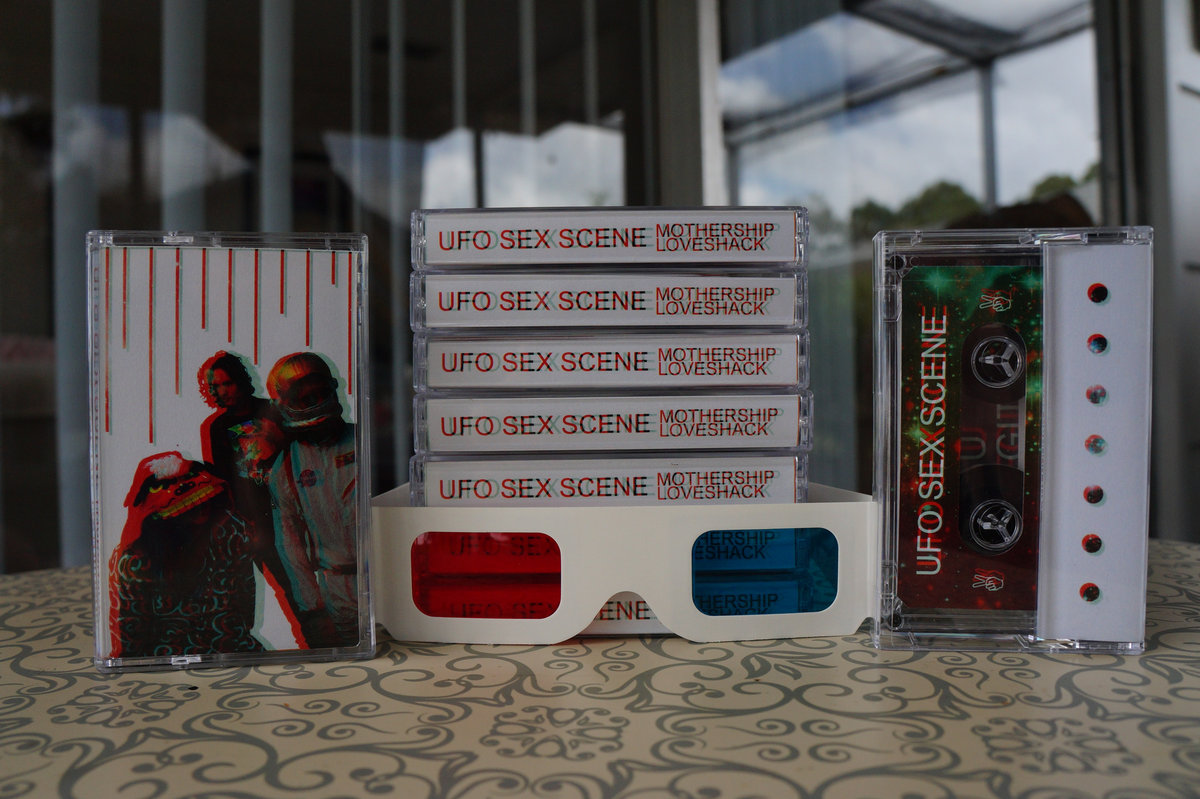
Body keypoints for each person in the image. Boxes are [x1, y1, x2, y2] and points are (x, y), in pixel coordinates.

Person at [109, 453, 261, 658]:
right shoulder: (135, 561)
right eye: (188, 504)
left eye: (203, 498)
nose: (201, 507)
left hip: (233, 649)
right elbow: (132, 640)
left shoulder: (231, 532)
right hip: (168, 661)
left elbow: (246, 603)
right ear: (161, 519)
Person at [266, 351, 360, 648]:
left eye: (320, 392)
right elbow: (289, 544)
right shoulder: (285, 468)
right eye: (305, 398)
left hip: (387, 575)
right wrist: (312, 611)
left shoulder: (367, 442)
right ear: (286, 404)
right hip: (338, 588)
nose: (316, 401)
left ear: (332, 388)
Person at [197, 352, 294, 621]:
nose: (220, 392)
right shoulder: (217, 427)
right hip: (251, 521)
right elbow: (224, 480)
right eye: (214, 386)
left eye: (226, 383)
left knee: (298, 586)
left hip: (288, 513)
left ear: (240, 381)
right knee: (249, 593)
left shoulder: (273, 410)